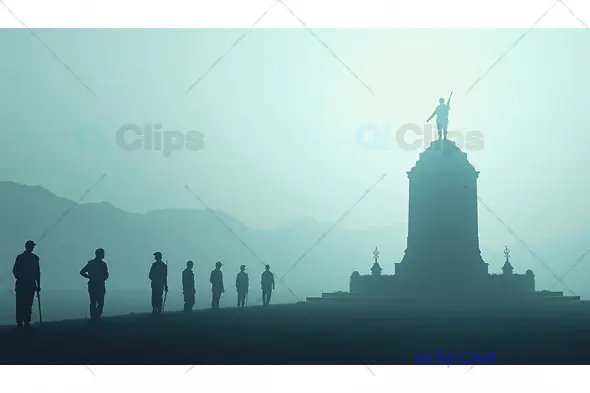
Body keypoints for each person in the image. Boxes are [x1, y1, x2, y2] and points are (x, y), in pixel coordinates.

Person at [12, 240, 40, 330]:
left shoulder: (34, 258)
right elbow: (15, 270)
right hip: (23, 284)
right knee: (21, 304)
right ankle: (20, 322)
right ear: (28, 247)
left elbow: (37, 273)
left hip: (28, 284)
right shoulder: (21, 258)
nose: (32, 248)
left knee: (28, 304)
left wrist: (38, 285)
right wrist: (21, 278)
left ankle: (26, 322)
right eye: (31, 246)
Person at [80, 248, 109, 321]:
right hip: (98, 285)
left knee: (95, 302)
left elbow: (82, 272)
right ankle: (95, 318)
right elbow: (82, 272)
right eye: (102, 253)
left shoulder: (93, 263)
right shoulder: (101, 264)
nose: (104, 255)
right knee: (98, 302)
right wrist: (90, 277)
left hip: (95, 284)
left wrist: (90, 277)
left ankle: (95, 318)